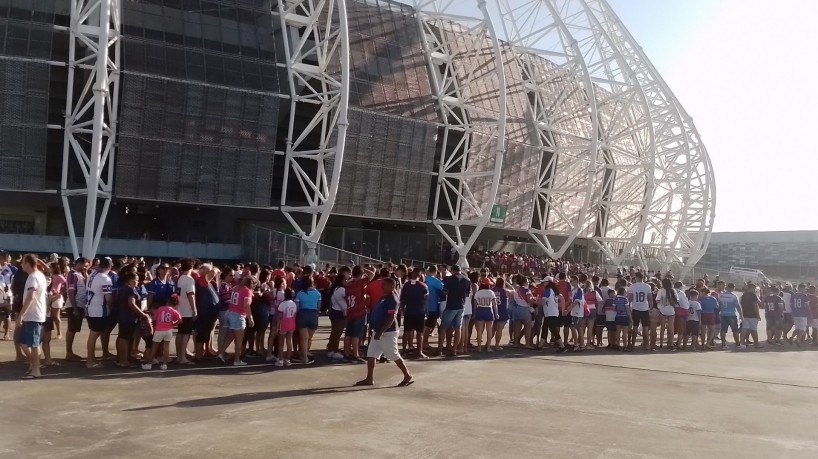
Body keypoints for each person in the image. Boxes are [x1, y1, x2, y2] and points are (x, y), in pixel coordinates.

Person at [354, 278, 413, 387]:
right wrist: (373, 328)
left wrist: (380, 331)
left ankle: (407, 375)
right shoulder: (383, 297)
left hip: (387, 333)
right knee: (371, 355)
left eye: (384, 285)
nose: (382, 287)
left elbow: (391, 317)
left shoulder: (392, 299)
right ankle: (369, 378)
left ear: (392, 287)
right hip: (377, 331)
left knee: (393, 354)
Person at [18, 254, 48, 379]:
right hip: (35, 314)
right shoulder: (39, 275)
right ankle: (34, 366)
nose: (21, 265)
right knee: (24, 341)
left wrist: (21, 314)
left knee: (34, 344)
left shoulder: (33, 278)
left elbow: (31, 296)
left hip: (33, 315)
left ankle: (36, 370)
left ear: (28, 263)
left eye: (23, 262)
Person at [115, 272, 151, 367]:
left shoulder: (123, 289)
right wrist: (143, 314)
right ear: (129, 280)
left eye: (137, 280)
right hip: (128, 317)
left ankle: (123, 358)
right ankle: (124, 361)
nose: (137, 281)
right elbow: (132, 303)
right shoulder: (130, 290)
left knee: (124, 337)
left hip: (123, 316)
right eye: (135, 279)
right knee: (125, 338)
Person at [218, 276, 254, 366]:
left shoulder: (236, 288)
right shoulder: (247, 291)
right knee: (239, 339)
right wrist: (250, 318)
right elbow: (246, 305)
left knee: (231, 335)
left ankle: (221, 352)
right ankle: (237, 359)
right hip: (238, 315)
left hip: (229, 312)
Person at [86, 257, 114, 368]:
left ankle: (94, 358)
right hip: (98, 310)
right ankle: (90, 360)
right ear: (110, 266)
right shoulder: (105, 278)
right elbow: (108, 298)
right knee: (94, 334)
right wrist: (112, 305)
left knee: (94, 334)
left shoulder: (92, 275)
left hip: (90, 307)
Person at [142, 294, 182, 370]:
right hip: (169, 330)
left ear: (167, 301)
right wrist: (173, 324)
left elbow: (155, 318)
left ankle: (149, 364)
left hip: (159, 330)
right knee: (166, 347)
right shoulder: (174, 311)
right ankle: (164, 364)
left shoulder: (160, 309)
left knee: (154, 347)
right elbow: (180, 320)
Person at [440, 265, 469, 356]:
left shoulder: (450, 279)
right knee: (458, 328)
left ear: (452, 270)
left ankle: (440, 348)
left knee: (443, 327)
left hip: (451, 305)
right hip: (461, 305)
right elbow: (467, 294)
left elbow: (445, 292)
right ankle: (455, 349)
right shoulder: (467, 280)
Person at [65, 257, 89, 360]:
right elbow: (71, 292)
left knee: (73, 329)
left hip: (80, 305)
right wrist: (74, 308)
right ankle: (69, 352)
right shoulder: (72, 274)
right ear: (79, 264)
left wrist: (85, 273)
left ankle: (70, 352)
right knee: (72, 329)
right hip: (74, 305)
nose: (86, 267)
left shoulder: (81, 274)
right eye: (85, 265)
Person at [400, 270, 428, 358]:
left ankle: (404, 352)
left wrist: (403, 309)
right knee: (419, 333)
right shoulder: (423, 286)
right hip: (419, 312)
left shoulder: (406, 285)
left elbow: (402, 298)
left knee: (407, 332)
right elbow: (426, 299)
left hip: (409, 311)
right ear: (420, 275)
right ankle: (419, 351)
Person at [175, 258, 197, 365]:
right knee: (186, 334)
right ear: (192, 267)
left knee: (180, 333)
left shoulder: (180, 278)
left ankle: (179, 356)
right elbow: (190, 295)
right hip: (187, 310)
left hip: (179, 309)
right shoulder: (189, 279)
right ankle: (183, 357)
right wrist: (194, 309)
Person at [294, 276, 321, 364]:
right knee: (309, 338)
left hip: (303, 315)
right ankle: (305, 353)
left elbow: (297, 308)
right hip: (314, 315)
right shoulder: (317, 293)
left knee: (303, 339)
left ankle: (304, 357)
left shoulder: (299, 294)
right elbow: (318, 307)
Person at [628, 272, 653, 350]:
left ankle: (633, 344)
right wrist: (651, 308)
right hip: (645, 308)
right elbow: (650, 299)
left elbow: (629, 298)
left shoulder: (632, 286)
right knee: (645, 327)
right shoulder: (647, 286)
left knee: (635, 326)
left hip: (635, 308)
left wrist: (629, 307)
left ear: (637, 277)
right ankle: (647, 344)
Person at [472, 278, 497, 352]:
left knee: (479, 331)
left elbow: (475, 305)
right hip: (489, 310)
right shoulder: (491, 292)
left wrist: (474, 313)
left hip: (480, 310)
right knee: (489, 330)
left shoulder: (478, 293)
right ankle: (488, 347)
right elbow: (494, 305)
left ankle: (479, 347)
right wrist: (496, 313)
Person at [423, 266, 444, 354]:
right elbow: (443, 288)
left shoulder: (424, 278)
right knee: (429, 325)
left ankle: (424, 342)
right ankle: (424, 343)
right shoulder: (435, 280)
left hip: (425, 305)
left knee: (428, 324)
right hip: (433, 305)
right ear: (435, 271)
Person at [276, 288, 297, 366]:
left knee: (281, 342)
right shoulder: (294, 304)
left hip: (284, 323)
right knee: (289, 341)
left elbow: (279, 317)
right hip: (291, 323)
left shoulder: (282, 304)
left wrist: (277, 327)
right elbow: (295, 314)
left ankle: (280, 359)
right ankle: (288, 359)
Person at [718, 283, 743, 349]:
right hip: (731, 314)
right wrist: (741, 314)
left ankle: (723, 345)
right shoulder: (734, 296)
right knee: (735, 330)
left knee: (723, 330)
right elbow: (738, 306)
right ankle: (738, 344)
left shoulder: (721, 295)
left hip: (723, 314)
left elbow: (719, 306)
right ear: (732, 288)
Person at [655, 278, 677, 350]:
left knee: (662, 328)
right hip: (671, 311)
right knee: (671, 328)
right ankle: (670, 344)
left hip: (662, 311)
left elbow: (657, 300)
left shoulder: (661, 291)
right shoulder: (673, 290)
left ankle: (661, 344)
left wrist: (660, 306)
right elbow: (676, 301)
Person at [739, 283, 762, 348]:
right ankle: (756, 343)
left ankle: (741, 342)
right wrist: (758, 315)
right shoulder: (753, 296)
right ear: (751, 288)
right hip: (752, 315)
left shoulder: (744, 296)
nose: (754, 290)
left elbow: (741, 305)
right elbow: (755, 306)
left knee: (744, 329)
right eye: (754, 288)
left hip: (745, 314)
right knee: (754, 330)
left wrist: (742, 314)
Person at [491, 277, 510, 350]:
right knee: (499, 330)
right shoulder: (504, 291)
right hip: (502, 311)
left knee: (493, 329)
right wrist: (507, 283)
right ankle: (496, 345)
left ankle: (488, 343)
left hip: (494, 311)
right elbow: (513, 290)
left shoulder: (492, 290)